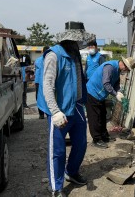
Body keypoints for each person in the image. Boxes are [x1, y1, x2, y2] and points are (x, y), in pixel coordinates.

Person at [37, 29, 95, 197]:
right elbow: (47, 85)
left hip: (76, 106)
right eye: (78, 42)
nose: (80, 45)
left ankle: (72, 171)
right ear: (69, 42)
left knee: (81, 143)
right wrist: (55, 112)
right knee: (58, 150)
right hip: (59, 109)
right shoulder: (53, 56)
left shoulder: (75, 56)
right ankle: (56, 186)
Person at [86, 56, 135, 148]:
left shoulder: (117, 70)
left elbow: (116, 83)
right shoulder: (110, 67)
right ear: (124, 65)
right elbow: (106, 83)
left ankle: (104, 135)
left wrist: (119, 91)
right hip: (92, 92)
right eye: (127, 69)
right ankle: (96, 139)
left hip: (100, 95)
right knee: (95, 117)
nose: (126, 72)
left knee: (102, 115)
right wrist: (115, 94)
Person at [34, 46, 49, 119]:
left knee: (39, 97)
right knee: (48, 96)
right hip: (46, 80)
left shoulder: (38, 60)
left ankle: (41, 114)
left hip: (38, 81)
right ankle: (47, 112)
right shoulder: (50, 59)